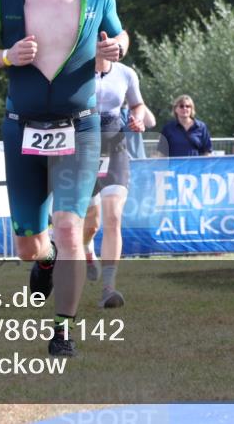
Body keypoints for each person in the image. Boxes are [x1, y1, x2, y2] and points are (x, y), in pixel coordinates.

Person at [0, 0, 128, 357]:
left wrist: (115, 46)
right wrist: (5, 57)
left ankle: (62, 331)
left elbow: (121, 37)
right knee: (28, 245)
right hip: (23, 130)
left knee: (70, 229)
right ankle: (46, 260)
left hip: (81, 126)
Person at [81, 46, 155, 308]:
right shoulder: (75, 69)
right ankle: (88, 249)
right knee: (91, 222)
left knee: (113, 217)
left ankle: (109, 288)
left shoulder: (126, 73)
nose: (111, 44)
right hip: (84, 141)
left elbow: (138, 105)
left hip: (115, 141)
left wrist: (137, 120)